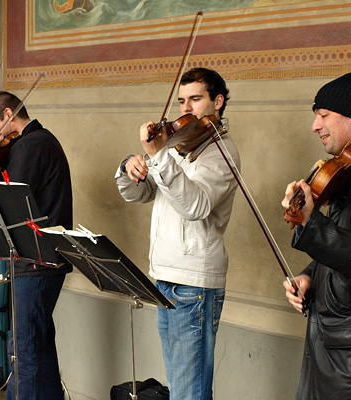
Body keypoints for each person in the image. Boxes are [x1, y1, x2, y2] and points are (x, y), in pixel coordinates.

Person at [115, 67, 240, 400]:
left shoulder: (221, 153)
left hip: (194, 282)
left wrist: (158, 155)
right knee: (181, 387)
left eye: (195, 99)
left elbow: (196, 206)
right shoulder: (178, 145)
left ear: (218, 101)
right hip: (165, 276)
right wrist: (132, 166)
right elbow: (138, 194)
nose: (186, 109)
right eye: (182, 100)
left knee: (190, 391)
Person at [0, 91, 73, 400]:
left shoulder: (32, 145)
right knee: (38, 344)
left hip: (36, 259)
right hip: (42, 259)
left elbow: (8, 200)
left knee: (23, 349)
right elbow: (14, 188)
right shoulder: (32, 144)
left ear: (8, 113)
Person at [281, 72, 351, 399]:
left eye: (324, 115)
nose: (316, 126)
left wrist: (312, 222)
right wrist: (310, 276)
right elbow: (348, 243)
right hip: (343, 344)